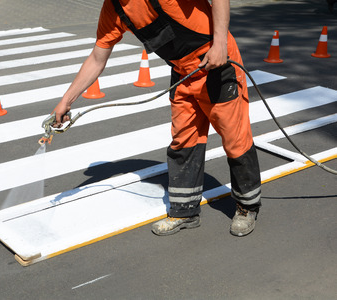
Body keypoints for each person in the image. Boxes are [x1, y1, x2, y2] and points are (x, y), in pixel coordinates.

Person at [51, 0, 261, 237]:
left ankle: (247, 207)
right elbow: (98, 58)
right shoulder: (114, 9)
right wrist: (67, 100)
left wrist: (220, 42)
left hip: (217, 62)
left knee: (235, 138)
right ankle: (184, 212)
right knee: (183, 142)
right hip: (183, 74)